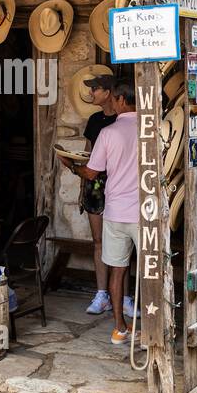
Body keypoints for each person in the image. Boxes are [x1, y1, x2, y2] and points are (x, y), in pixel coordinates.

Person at [64, 80, 140, 345]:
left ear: (119, 99)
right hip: (145, 211)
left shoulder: (109, 132)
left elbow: (91, 172)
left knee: (117, 270)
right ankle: (155, 326)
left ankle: (120, 327)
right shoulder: (152, 127)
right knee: (152, 270)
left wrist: (70, 166)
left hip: (116, 210)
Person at [78, 74, 117, 316]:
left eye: (95, 89)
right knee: (99, 241)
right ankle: (102, 294)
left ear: (109, 92)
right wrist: (81, 188)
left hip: (120, 185)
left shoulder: (124, 119)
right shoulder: (94, 120)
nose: (91, 93)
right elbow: (87, 157)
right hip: (95, 187)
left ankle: (121, 294)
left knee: (122, 240)